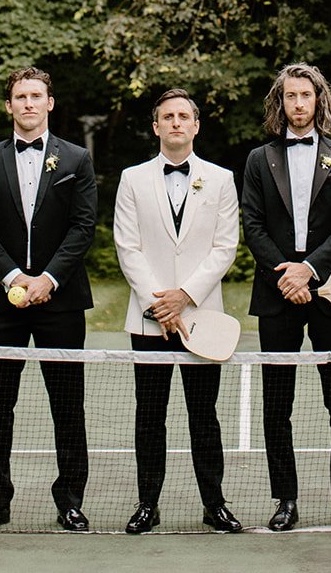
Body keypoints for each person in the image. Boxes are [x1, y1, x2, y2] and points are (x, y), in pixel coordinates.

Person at [0, 66, 97, 532]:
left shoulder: (76, 159)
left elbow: (83, 227)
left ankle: (70, 501)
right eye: (20, 97)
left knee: (68, 405)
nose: (28, 104)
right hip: (1, 304)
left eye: (36, 96)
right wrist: (13, 277)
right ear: (9, 106)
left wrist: (48, 279)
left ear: (49, 103)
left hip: (61, 302)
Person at [113, 88, 243, 534]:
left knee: (204, 416)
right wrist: (160, 303)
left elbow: (225, 247)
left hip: (203, 317)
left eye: (183, 116)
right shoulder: (132, 179)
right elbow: (127, 246)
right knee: (150, 416)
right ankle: (147, 504)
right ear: (156, 127)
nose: (175, 123)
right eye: (167, 117)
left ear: (195, 125)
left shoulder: (221, 179)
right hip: (148, 319)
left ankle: (214, 504)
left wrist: (184, 296)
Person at [241, 61, 331, 530]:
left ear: (318, 100)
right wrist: (286, 275)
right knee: (278, 402)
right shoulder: (258, 159)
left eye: (305, 95)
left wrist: (309, 270)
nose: (298, 103)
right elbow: (252, 224)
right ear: (281, 101)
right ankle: (286, 500)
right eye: (290, 96)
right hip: (276, 292)